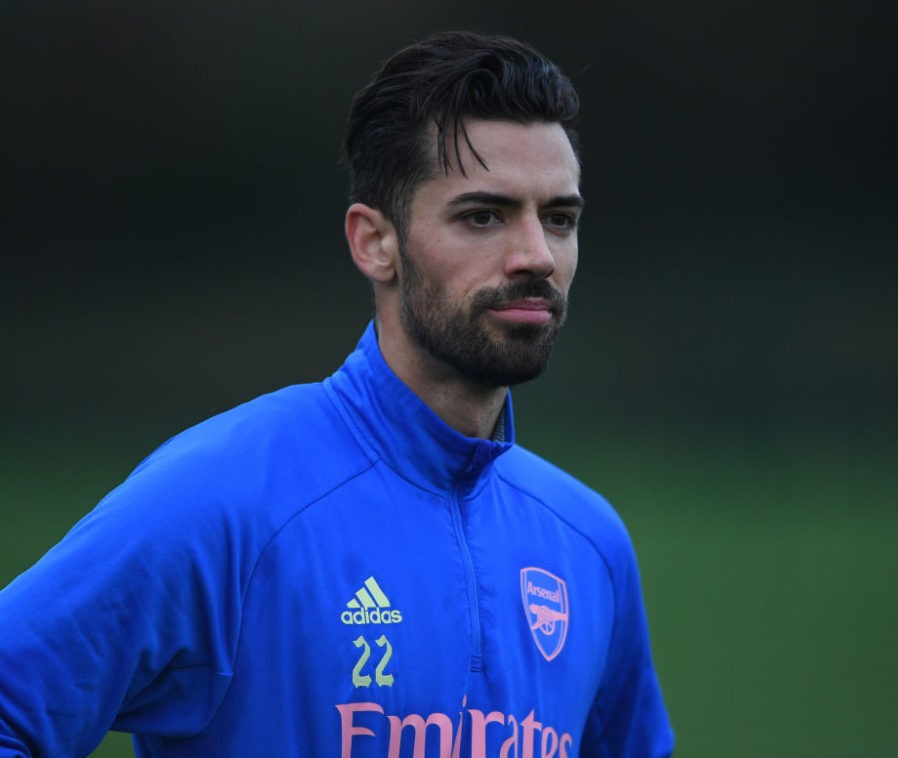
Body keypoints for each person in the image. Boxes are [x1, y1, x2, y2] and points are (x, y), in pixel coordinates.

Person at [0, 31, 674, 757]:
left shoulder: (589, 544)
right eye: (482, 215)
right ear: (374, 242)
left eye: (559, 219)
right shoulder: (225, 500)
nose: (537, 255)